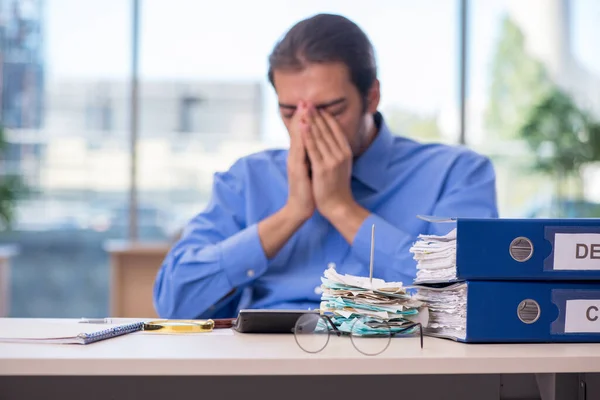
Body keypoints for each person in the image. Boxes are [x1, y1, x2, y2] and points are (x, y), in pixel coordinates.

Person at [153, 13, 498, 319]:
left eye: (331, 110)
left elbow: (472, 297)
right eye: (290, 113)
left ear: (371, 97)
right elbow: (173, 301)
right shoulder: (246, 179)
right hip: (266, 371)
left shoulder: (457, 173)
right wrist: (291, 214)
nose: (306, 128)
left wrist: (340, 208)